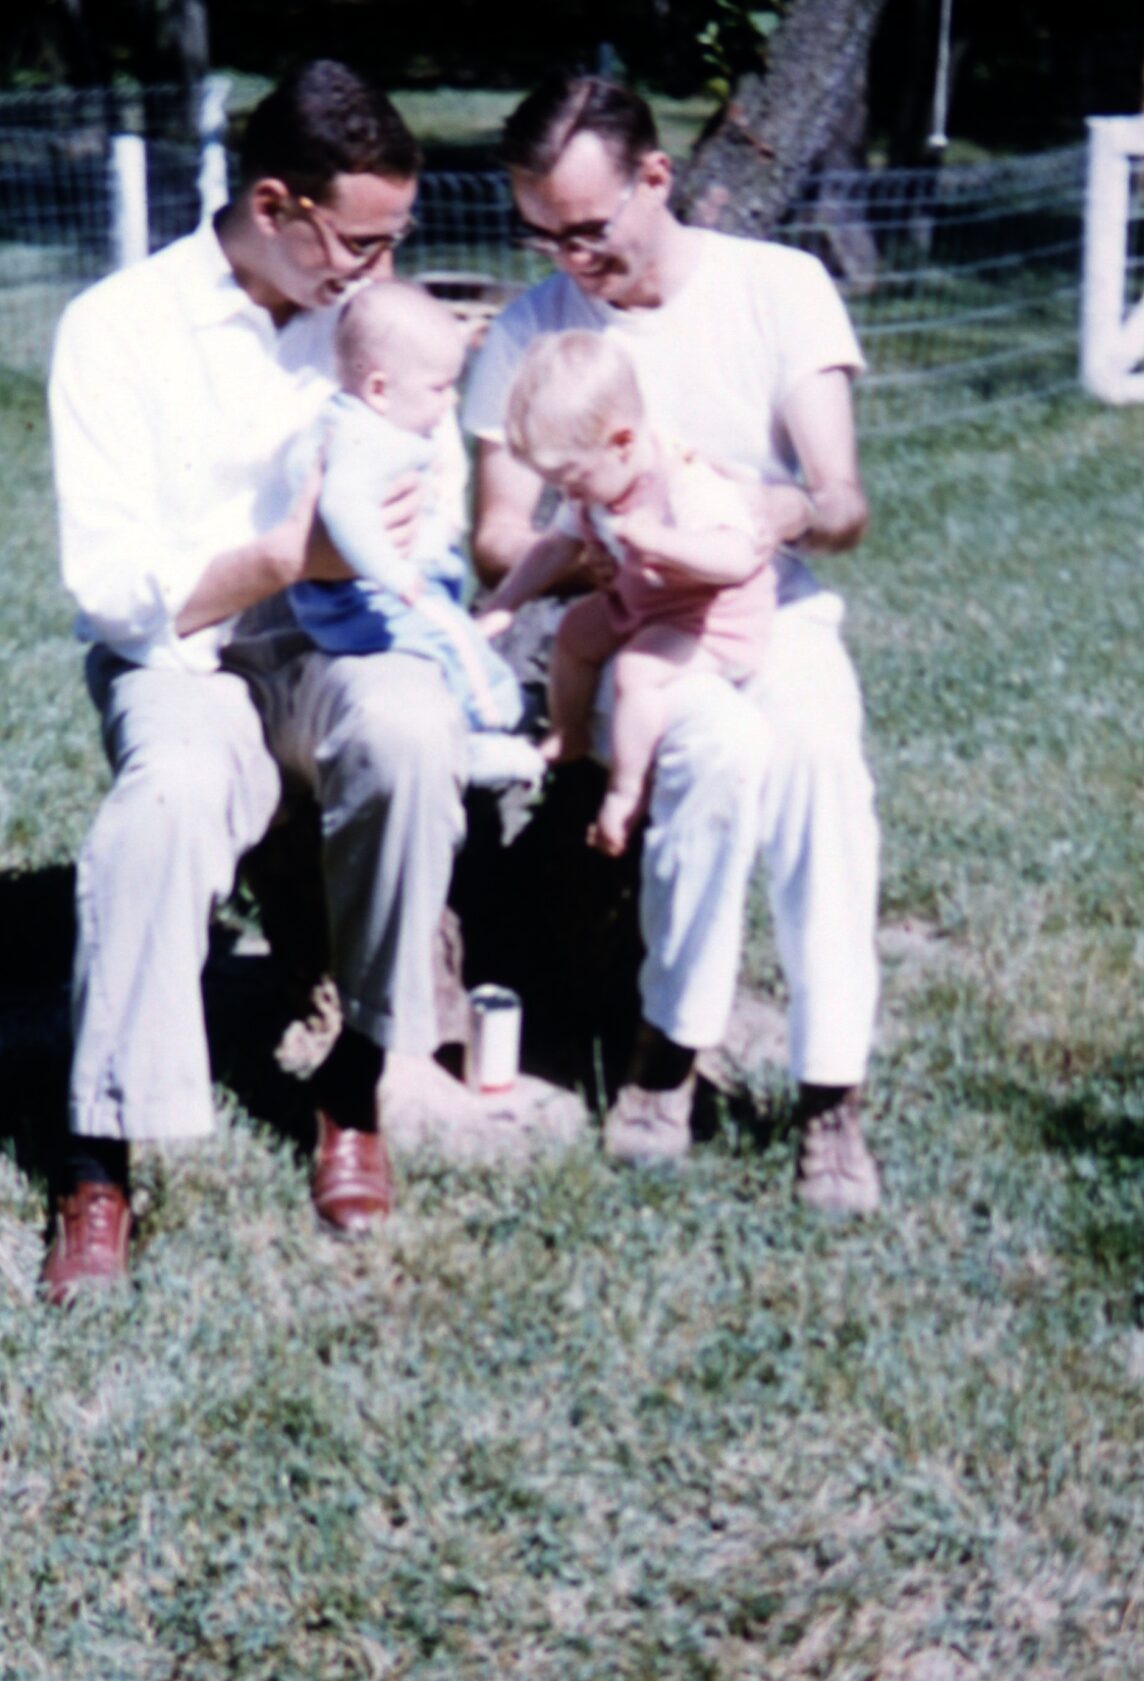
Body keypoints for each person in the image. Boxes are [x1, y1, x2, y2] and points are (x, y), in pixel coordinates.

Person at [42, 61, 467, 1304]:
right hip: (189, 647)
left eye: (395, 240)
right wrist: (284, 557)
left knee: (413, 731)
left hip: (339, 638)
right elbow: (113, 588)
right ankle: (99, 1153)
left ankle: (356, 1079)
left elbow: (430, 501)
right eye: (361, 241)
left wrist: (361, 560)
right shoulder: (120, 326)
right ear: (275, 205)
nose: (379, 268)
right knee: (169, 797)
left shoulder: (369, 319)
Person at [463, 71, 883, 1214]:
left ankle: (831, 1092)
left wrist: (786, 510)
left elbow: (843, 502)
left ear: (656, 178)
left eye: (588, 230)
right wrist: (590, 556)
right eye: (542, 235)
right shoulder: (533, 327)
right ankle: (667, 1055)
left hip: (766, 604)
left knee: (819, 765)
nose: (568, 260)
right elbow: (498, 533)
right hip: (638, 628)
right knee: (713, 755)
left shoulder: (777, 287)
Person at [476, 330, 776, 857]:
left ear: (621, 443)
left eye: (570, 478)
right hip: (644, 602)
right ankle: (568, 732)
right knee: (575, 632)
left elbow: (737, 558)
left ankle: (624, 793)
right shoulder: (596, 484)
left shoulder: (686, 480)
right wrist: (504, 604)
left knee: (637, 671)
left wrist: (660, 541)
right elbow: (553, 549)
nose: (565, 493)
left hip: (713, 619)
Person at [287, 279, 542, 785]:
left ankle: (473, 723)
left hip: (368, 593)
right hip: (367, 596)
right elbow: (342, 508)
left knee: (445, 643)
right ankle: (494, 723)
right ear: (379, 389)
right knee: (453, 637)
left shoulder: (354, 419)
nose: (451, 402)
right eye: (439, 388)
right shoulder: (361, 439)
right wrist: (394, 573)